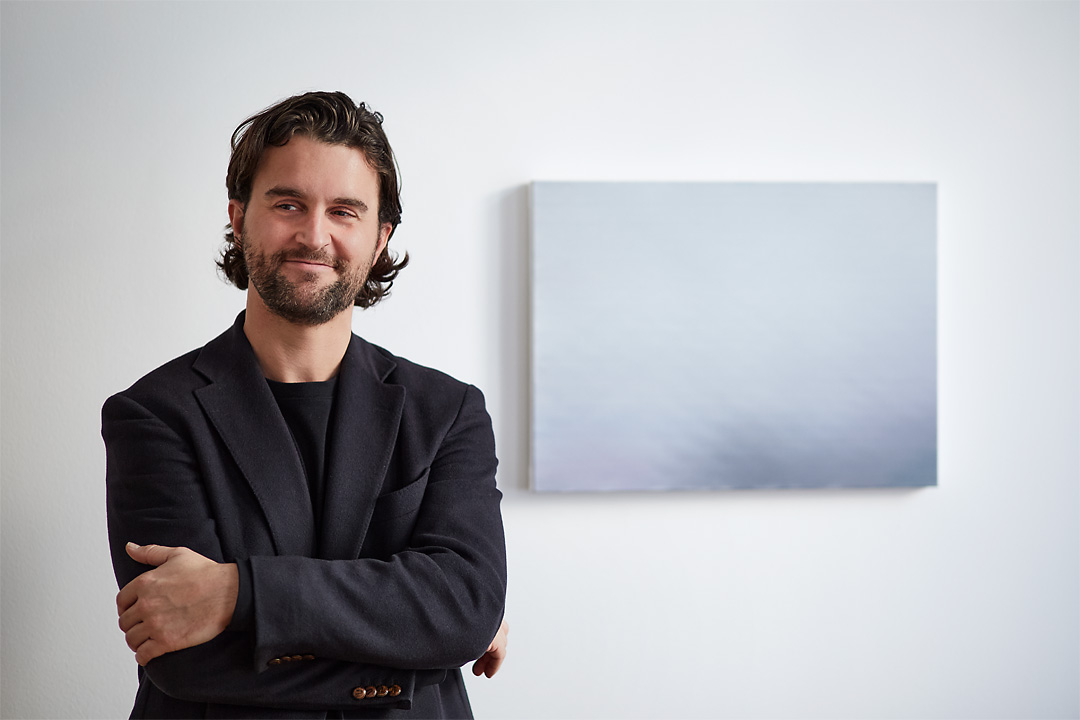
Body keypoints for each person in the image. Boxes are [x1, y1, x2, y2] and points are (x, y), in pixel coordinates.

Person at [103, 91, 508, 719]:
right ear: (238, 218)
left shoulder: (448, 411)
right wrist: (417, 650)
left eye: (344, 211)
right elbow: (182, 656)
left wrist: (239, 595)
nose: (313, 234)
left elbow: (465, 604)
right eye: (288, 203)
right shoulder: (153, 413)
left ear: (380, 238)